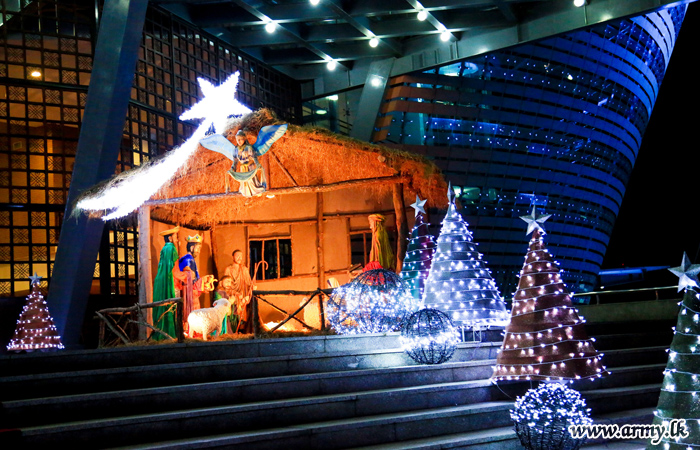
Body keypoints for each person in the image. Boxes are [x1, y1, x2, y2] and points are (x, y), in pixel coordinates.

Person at [173, 234, 214, 335]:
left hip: (189, 291)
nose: (199, 251)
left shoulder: (187, 259)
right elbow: (190, 279)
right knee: (192, 314)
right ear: (192, 247)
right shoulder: (188, 260)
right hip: (189, 293)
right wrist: (203, 281)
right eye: (198, 248)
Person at [151, 226, 179, 340]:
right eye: (175, 237)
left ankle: (159, 331)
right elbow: (173, 266)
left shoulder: (164, 248)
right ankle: (168, 332)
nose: (177, 240)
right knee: (168, 302)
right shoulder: (171, 248)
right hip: (167, 279)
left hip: (160, 278)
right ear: (171, 238)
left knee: (160, 302)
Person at [224, 249, 254, 333]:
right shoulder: (228, 269)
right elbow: (225, 284)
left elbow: (249, 283)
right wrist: (234, 293)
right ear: (233, 257)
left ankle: (241, 331)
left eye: (241, 256)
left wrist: (252, 287)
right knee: (233, 315)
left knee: (243, 315)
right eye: (237, 256)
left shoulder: (244, 269)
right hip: (232, 296)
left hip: (242, 295)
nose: (239, 258)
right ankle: (233, 332)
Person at [230, 129, 267, 197]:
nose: (239, 141)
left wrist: (257, 164)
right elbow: (235, 161)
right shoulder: (236, 150)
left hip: (250, 166)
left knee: (252, 181)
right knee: (244, 182)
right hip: (242, 168)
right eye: (237, 139)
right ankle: (247, 193)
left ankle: (256, 191)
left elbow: (254, 157)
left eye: (241, 139)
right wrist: (232, 168)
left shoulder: (248, 147)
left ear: (244, 139)